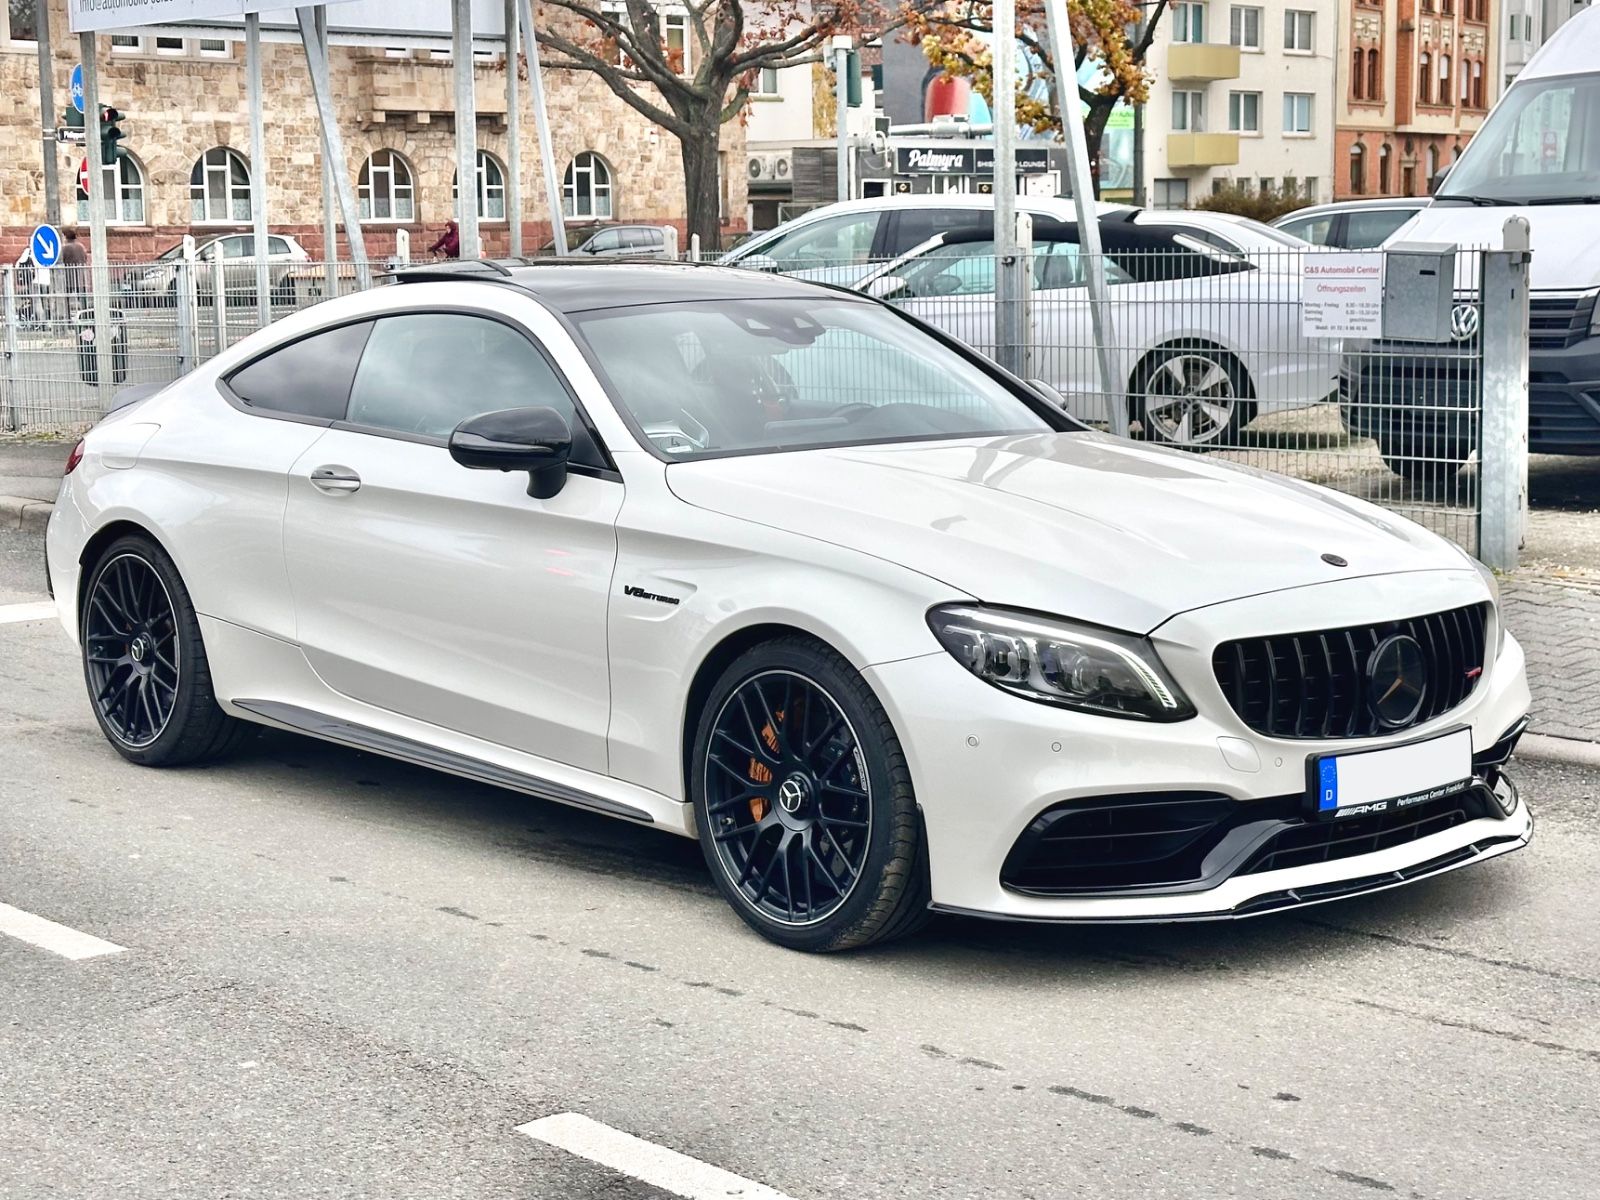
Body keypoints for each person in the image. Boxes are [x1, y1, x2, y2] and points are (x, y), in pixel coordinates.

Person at [59, 228, 89, 323]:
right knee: (83, 299)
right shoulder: (81, 247)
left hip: (68, 277)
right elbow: (85, 258)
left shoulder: (64, 248)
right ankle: (86, 316)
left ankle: (68, 319)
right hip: (81, 276)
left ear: (66, 237)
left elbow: (61, 260)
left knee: (66, 300)